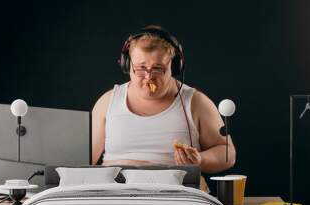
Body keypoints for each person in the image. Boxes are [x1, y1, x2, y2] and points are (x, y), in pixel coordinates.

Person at [91, 25, 236, 190]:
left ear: (174, 67)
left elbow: (227, 154)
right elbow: (83, 158)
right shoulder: (108, 101)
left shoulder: (195, 102)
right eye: (140, 69)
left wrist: (200, 160)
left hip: (176, 195)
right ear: (127, 65)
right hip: (114, 194)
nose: (149, 77)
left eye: (158, 69)